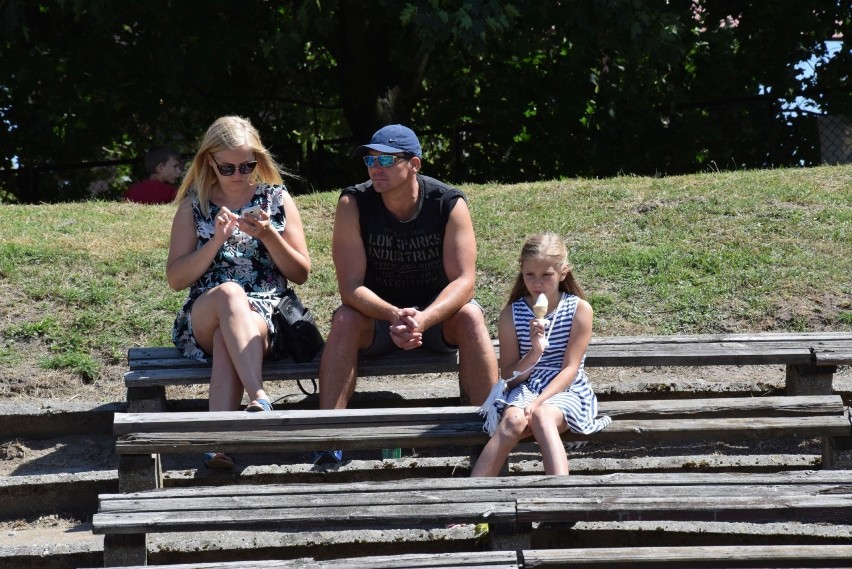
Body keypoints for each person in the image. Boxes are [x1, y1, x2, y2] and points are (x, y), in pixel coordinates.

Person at [314, 124, 498, 465]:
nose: (375, 168)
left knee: (472, 315)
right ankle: (329, 437)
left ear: (414, 164)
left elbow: (464, 281)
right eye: (370, 160)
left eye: (385, 159)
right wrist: (394, 315)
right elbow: (350, 287)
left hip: (437, 318)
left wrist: (423, 319)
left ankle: (488, 434)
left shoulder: (448, 202)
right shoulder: (353, 202)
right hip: (379, 318)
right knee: (344, 319)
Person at [166, 116, 311, 469]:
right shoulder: (193, 205)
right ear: (209, 162)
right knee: (229, 294)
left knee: (225, 337)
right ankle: (259, 397)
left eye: (247, 165)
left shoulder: (275, 199)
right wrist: (215, 241)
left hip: (263, 313)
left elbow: (301, 272)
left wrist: (268, 236)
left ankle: (218, 445)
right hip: (205, 309)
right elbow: (176, 278)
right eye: (228, 167)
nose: (238, 174)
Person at [472, 233, 611, 477]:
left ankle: (559, 504)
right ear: (521, 272)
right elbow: (509, 376)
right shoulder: (510, 315)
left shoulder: (579, 310)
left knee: (543, 416)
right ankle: (470, 505)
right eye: (530, 275)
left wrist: (538, 402)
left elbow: (570, 368)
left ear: (563, 273)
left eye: (546, 275)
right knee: (513, 422)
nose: (538, 284)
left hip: (566, 389)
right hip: (526, 386)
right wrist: (535, 353)